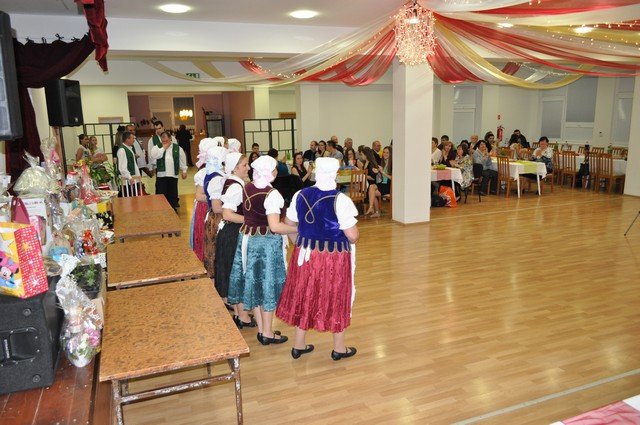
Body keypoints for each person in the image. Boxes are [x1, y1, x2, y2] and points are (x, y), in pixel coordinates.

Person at [276, 157, 359, 360]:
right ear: (335, 174)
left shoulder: (300, 195)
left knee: (305, 294)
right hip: (333, 258)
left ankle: (298, 344)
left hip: (304, 255)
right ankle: (339, 348)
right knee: (335, 296)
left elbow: (288, 224)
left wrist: (300, 242)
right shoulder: (341, 200)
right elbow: (352, 236)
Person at [227, 155, 298, 346]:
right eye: (274, 169)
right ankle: (267, 332)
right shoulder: (271, 194)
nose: (276, 172)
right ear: (269, 172)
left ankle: (262, 329)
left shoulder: (247, 187)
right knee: (267, 285)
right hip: (266, 244)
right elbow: (275, 226)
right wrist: (297, 229)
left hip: (248, 240)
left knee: (255, 283)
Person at [215, 152, 256, 328]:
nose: (248, 167)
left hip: (230, 232)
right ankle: (242, 316)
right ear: (235, 168)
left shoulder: (233, 183)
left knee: (235, 273)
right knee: (238, 273)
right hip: (234, 233)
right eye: (245, 165)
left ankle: (240, 314)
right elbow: (227, 214)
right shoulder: (236, 187)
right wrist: (252, 220)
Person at [201, 146, 227, 281]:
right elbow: (217, 207)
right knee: (217, 251)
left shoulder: (210, 173)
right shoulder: (217, 178)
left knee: (213, 250)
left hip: (212, 216)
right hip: (218, 218)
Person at [189, 138, 216, 263]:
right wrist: (217, 199)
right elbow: (199, 196)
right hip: (205, 208)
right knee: (204, 236)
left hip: (209, 207)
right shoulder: (205, 171)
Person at [150, 131, 188, 209]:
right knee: (161, 193)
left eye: (166, 141)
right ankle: (162, 209)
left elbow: (182, 159)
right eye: (163, 141)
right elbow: (155, 156)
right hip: (161, 175)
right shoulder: (156, 147)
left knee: (172, 194)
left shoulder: (177, 148)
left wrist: (184, 171)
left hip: (173, 174)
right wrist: (163, 148)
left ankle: (173, 209)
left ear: (170, 138)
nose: (164, 142)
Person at [116, 131, 142, 196]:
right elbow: (122, 167)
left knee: (135, 198)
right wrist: (129, 177)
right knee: (128, 198)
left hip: (133, 178)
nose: (134, 140)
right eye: (133, 138)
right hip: (127, 180)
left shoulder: (129, 148)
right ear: (127, 139)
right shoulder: (122, 150)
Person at [361, 147, 382, 217]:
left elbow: (373, 178)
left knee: (371, 190)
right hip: (369, 185)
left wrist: (364, 176)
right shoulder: (365, 163)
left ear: (366, 155)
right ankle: (377, 211)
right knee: (372, 193)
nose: (361, 156)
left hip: (375, 184)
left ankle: (371, 208)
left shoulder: (371, 164)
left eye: (362, 154)